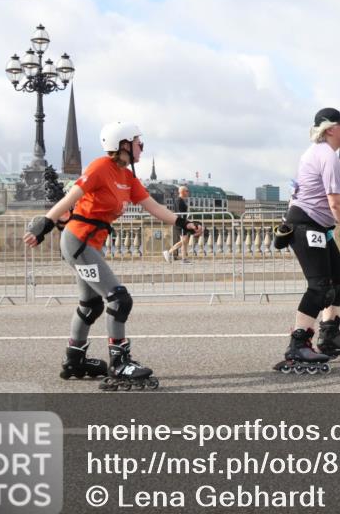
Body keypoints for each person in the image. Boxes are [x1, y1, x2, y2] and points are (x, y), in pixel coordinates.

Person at [23, 121, 204, 390]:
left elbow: (153, 207)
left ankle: (75, 358)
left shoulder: (128, 178)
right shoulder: (99, 168)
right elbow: (71, 198)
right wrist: (45, 224)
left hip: (91, 244)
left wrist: (183, 223)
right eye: (137, 142)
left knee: (91, 304)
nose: (141, 147)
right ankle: (119, 362)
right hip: (78, 241)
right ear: (122, 145)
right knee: (119, 299)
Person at [273, 107, 340, 374]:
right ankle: (298, 343)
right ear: (330, 129)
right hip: (307, 226)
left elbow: (299, 191)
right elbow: (336, 202)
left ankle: (330, 334)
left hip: (314, 226)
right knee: (320, 287)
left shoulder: (315, 154)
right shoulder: (328, 158)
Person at [163, 185, 196, 263]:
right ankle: (169, 252)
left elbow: (182, 214)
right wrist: (185, 222)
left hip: (182, 222)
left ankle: (184, 259)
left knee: (185, 241)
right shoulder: (179, 201)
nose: (188, 193)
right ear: (182, 192)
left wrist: (187, 220)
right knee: (184, 240)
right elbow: (180, 213)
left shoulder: (181, 200)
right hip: (180, 223)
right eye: (187, 191)